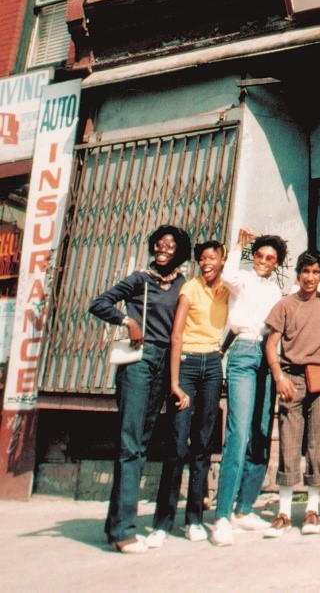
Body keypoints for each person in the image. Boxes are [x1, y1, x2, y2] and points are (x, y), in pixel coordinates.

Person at [88, 224, 192, 554]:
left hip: (167, 362)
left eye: (170, 246)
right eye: (158, 244)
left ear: (180, 252)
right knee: (130, 442)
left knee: (142, 442)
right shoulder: (139, 279)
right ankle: (124, 531)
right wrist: (128, 321)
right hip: (139, 360)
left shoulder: (183, 284)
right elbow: (99, 303)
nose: (162, 249)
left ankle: (113, 525)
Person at [144, 241, 228, 546]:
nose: (206, 262)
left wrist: (224, 347)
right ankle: (162, 523)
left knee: (203, 445)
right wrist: (175, 382)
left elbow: (245, 311)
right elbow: (176, 334)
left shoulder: (227, 289)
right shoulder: (189, 289)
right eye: (202, 258)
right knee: (177, 445)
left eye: (212, 258)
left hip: (213, 366)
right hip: (188, 364)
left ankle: (194, 519)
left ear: (222, 260)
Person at [210, 231, 288, 547]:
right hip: (243, 351)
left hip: (269, 355)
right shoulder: (241, 279)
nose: (264, 262)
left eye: (270, 258)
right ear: (253, 256)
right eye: (260, 256)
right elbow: (226, 273)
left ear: (277, 263)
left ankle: (244, 509)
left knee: (260, 431)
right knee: (239, 432)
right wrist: (240, 244)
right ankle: (222, 516)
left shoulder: (277, 289)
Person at [263, 250, 320, 537]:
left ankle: (312, 511)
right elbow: (271, 345)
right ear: (298, 274)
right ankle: (284, 511)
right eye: (305, 272)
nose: (310, 278)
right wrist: (278, 376)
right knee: (289, 440)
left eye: (315, 272)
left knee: (318, 441)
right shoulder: (284, 305)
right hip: (291, 378)